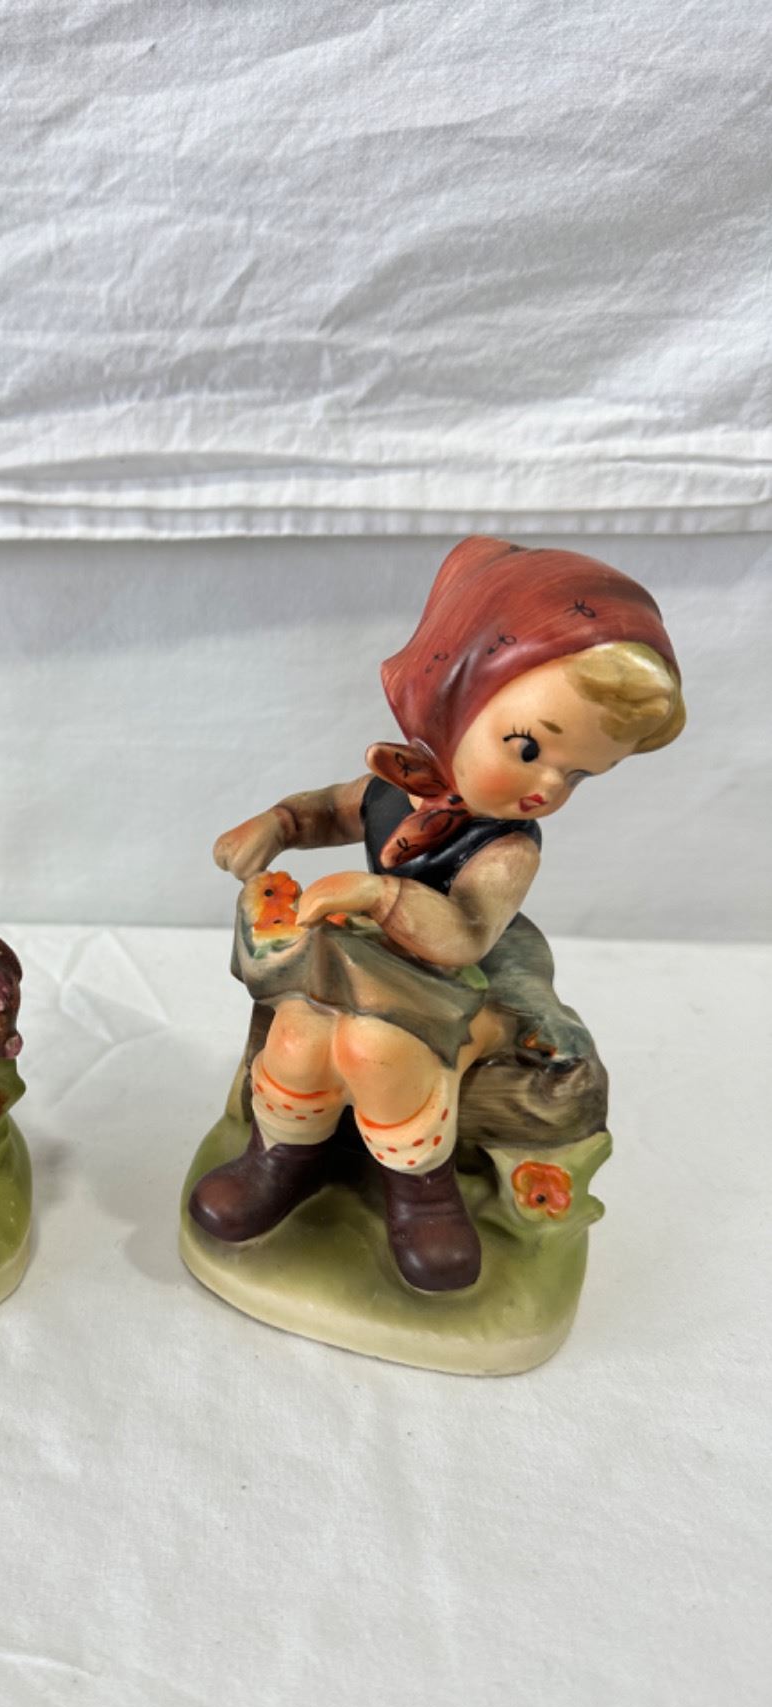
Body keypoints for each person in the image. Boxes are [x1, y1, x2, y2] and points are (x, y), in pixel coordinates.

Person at [189, 537, 684, 1293]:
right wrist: (277, 825)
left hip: (466, 984)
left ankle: (421, 1189)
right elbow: (328, 811)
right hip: (371, 959)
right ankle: (282, 1157)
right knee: (297, 1033)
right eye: (529, 749)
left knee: (374, 1049)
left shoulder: (507, 849)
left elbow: (466, 934)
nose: (548, 788)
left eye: (579, 775)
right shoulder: (397, 786)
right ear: (454, 696)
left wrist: (377, 895)